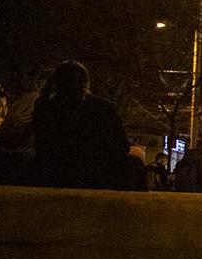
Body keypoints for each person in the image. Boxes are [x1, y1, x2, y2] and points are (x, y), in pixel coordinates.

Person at [27, 60, 133, 191]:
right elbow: (124, 146)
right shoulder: (105, 108)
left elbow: (43, 148)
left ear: (56, 84)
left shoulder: (44, 110)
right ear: (87, 83)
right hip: (100, 179)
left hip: (56, 178)